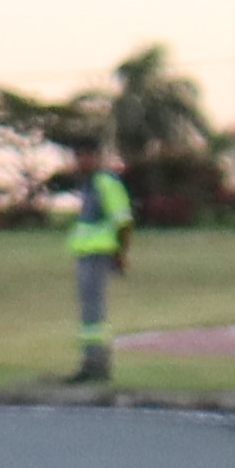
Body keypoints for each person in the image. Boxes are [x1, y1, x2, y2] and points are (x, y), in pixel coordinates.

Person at [70, 138, 136, 384]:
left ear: (95, 156)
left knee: (94, 310)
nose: (79, 161)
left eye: (84, 155)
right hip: (88, 254)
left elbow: (123, 220)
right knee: (89, 311)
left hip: (100, 253)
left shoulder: (105, 182)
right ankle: (90, 362)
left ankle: (98, 365)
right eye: (77, 156)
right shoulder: (89, 184)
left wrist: (120, 254)